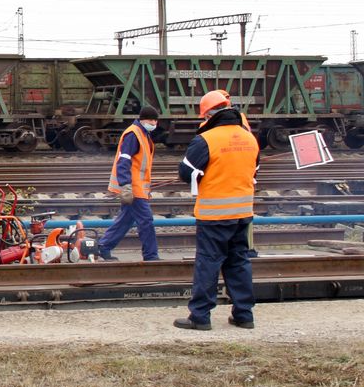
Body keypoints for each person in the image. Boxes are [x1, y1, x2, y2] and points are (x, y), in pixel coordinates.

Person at [174, 90, 261, 331]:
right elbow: (254, 171)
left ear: (208, 115)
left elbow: (186, 172)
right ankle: (244, 315)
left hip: (214, 215)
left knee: (208, 263)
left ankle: (200, 317)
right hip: (243, 213)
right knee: (239, 261)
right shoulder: (249, 138)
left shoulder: (207, 139)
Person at [95, 106, 160, 262]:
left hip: (137, 187)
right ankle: (151, 256)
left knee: (126, 219)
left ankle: (103, 246)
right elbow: (123, 161)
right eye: (151, 120)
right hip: (133, 187)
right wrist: (126, 185)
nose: (154, 123)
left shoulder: (143, 134)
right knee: (146, 220)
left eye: (155, 120)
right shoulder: (134, 134)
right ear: (142, 119)